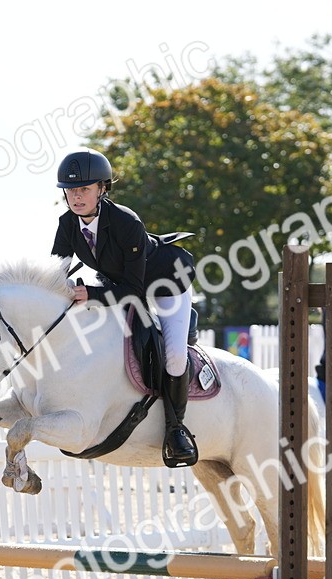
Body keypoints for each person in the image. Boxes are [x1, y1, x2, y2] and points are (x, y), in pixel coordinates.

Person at [50, 148, 198, 467]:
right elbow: (56, 273)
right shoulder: (66, 224)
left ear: (102, 189)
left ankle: (176, 429)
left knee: (173, 354)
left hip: (164, 285)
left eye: (84, 189)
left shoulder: (125, 221)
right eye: (70, 191)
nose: (76, 197)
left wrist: (88, 293)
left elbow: (133, 288)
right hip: (121, 286)